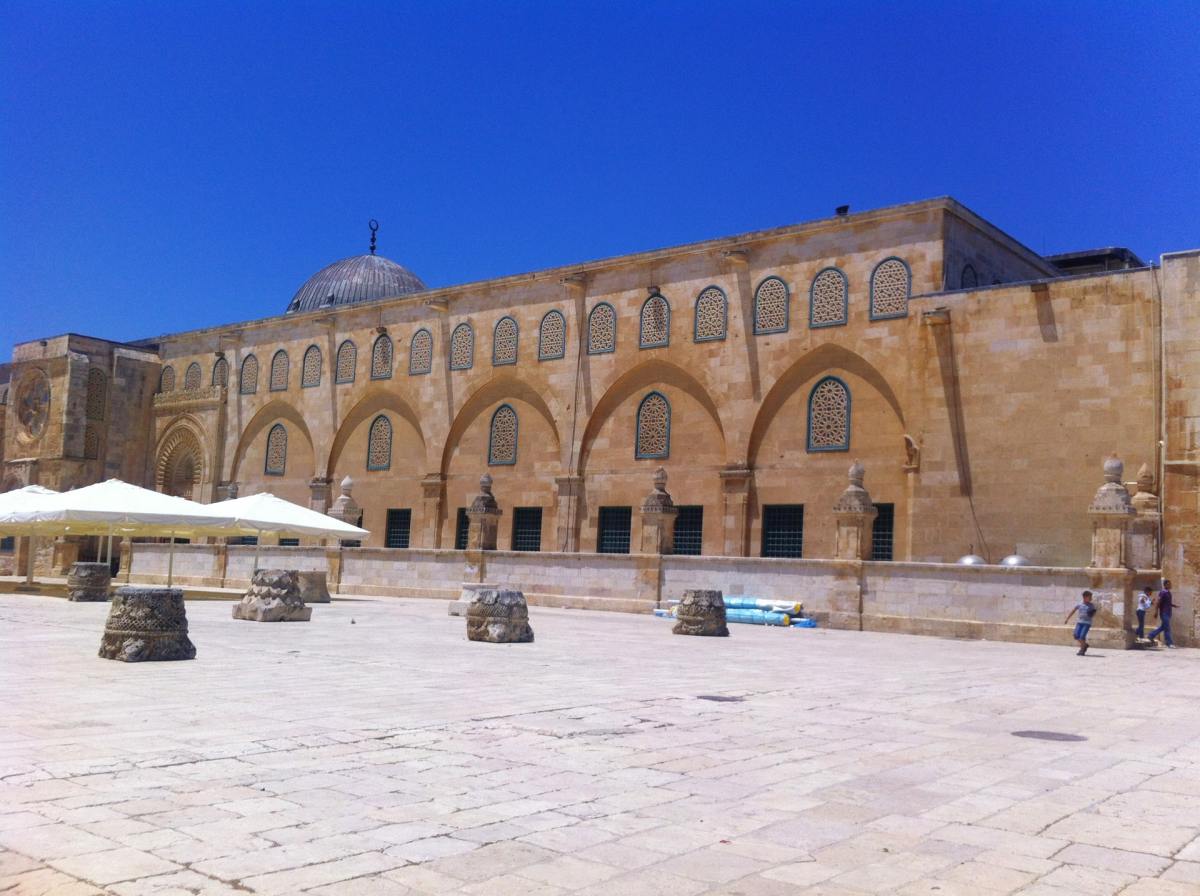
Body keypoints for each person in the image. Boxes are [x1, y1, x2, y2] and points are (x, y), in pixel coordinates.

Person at [1147, 579, 1179, 649]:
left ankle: (1151, 635)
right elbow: (1158, 602)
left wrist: (1174, 605)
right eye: (1169, 584)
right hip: (1164, 612)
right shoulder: (1163, 592)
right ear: (1165, 585)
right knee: (1167, 628)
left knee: (1163, 627)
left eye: (1170, 584)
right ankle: (1169, 643)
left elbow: (1168, 603)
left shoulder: (1168, 593)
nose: (1170, 585)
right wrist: (1156, 612)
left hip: (1168, 612)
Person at [1065, 590, 1098, 655]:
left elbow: (1093, 613)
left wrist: (1092, 613)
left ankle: (1082, 650)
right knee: (1076, 635)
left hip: (1087, 623)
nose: (1091, 599)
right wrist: (1067, 619)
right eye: (1090, 597)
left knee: (1082, 636)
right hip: (1079, 622)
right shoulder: (1079, 604)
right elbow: (1073, 611)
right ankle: (1085, 645)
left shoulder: (1091, 605)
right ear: (1084, 597)